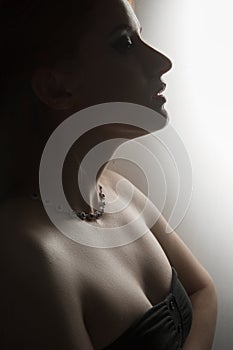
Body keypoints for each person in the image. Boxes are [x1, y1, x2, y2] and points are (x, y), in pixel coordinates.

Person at [0, 0, 217, 349]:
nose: (163, 62)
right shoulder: (27, 253)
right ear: (57, 87)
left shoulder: (117, 191)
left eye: (139, 36)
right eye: (124, 43)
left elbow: (203, 290)